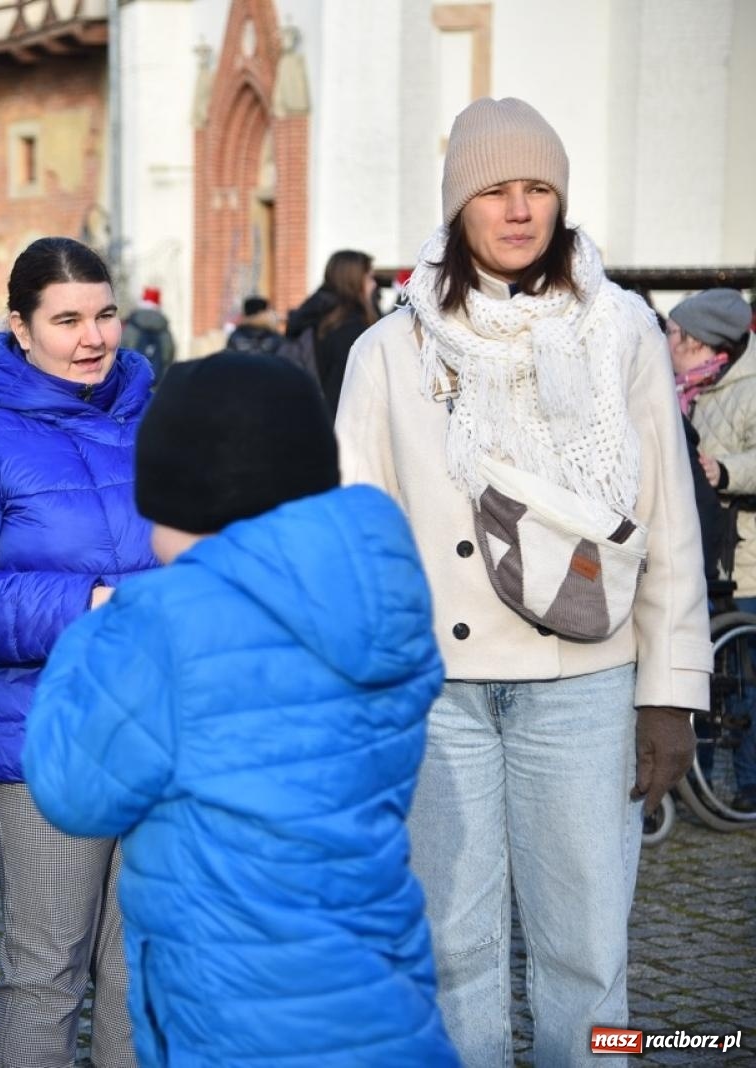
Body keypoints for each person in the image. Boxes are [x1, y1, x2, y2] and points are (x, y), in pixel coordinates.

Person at [335, 97, 708, 1067]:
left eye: (537, 187)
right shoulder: (389, 350)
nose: (517, 209)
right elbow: (361, 542)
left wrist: (668, 696)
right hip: (440, 695)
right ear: (457, 204)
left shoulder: (620, 330)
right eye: (494, 189)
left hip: (584, 681)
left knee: (588, 954)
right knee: (452, 950)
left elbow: (665, 522)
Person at [23, 354, 458, 1067]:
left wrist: (93, 632)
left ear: (178, 498)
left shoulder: (161, 622)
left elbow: (73, 790)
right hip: (378, 993)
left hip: (234, 1013)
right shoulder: (376, 593)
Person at [0, 237, 155, 1068]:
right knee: (47, 970)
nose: (93, 338)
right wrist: (85, 605)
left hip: (160, 727)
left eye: (105, 315)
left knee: (141, 971)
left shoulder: (150, 413)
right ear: (19, 327)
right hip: (43, 735)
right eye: (67, 321)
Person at [669, 288, 756, 810]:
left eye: (674, 335)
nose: (667, 343)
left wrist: (724, 471)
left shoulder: (749, 389)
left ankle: (748, 786)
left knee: (746, 683)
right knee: (704, 677)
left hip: (746, 561)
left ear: (699, 344)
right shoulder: (689, 389)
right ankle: (693, 782)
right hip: (705, 554)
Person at [286, 249, 378, 413]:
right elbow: (345, 392)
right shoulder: (351, 327)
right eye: (369, 277)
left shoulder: (313, 316)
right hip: (337, 424)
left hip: (308, 416)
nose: (374, 284)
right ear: (354, 281)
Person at [121, 285, 175, 379]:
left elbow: (122, 348)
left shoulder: (132, 324)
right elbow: (169, 353)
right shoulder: (163, 327)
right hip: (156, 380)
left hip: (132, 380)